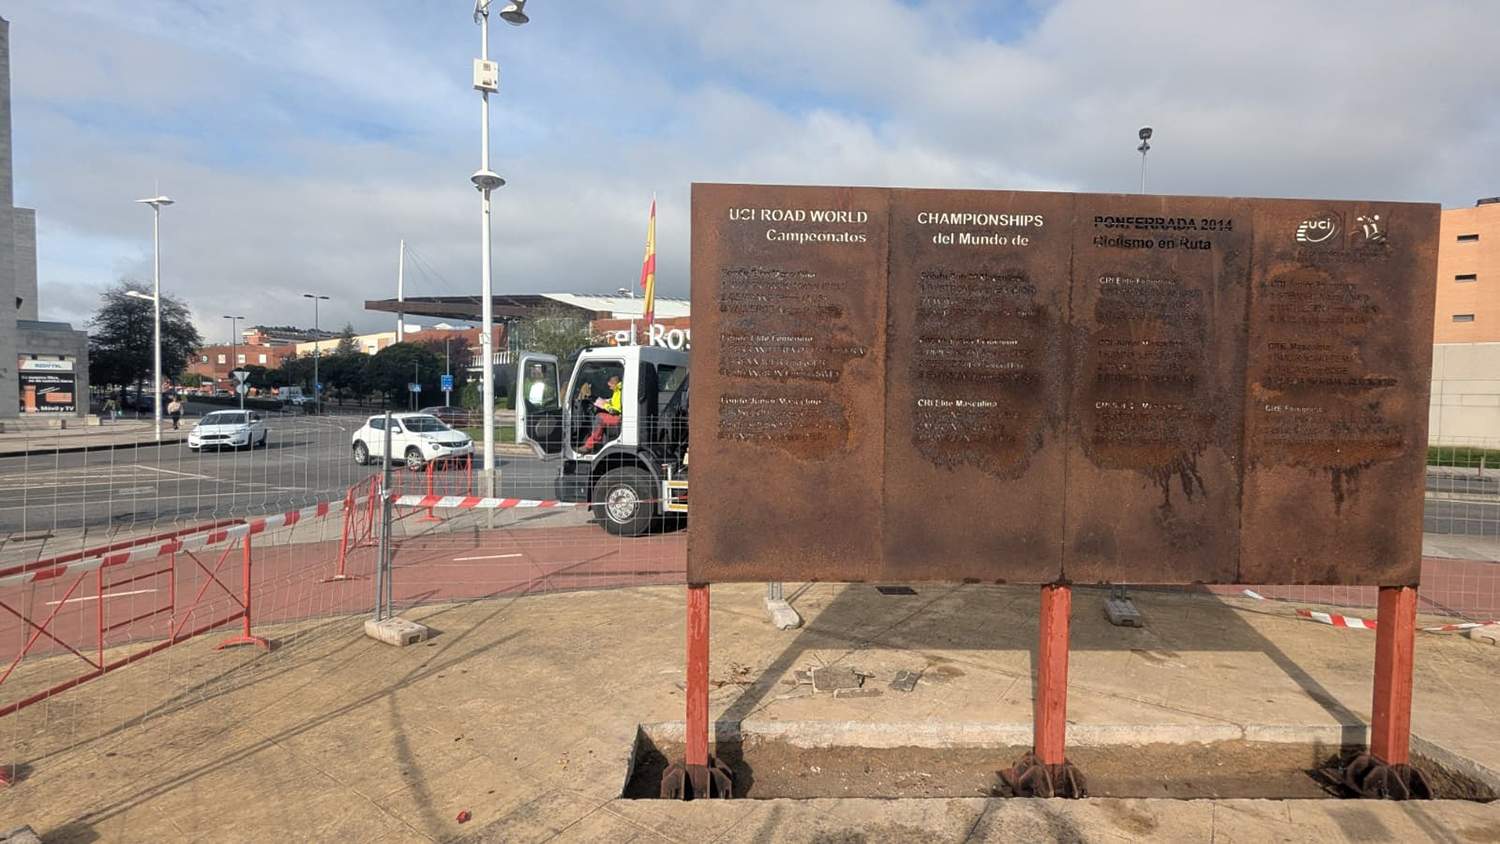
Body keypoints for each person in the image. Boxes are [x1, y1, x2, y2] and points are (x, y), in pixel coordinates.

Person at [580, 374, 622, 453]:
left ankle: (590, 445)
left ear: (614, 382)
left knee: (600, 417)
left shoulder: (619, 390)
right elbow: (615, 402)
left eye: (610, 385)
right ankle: (596, 443)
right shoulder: (617, 390)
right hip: (618, 416)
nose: (609, 387)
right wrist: (605, 401)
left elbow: (615, 410)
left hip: (619, 418)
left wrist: (603, 405)